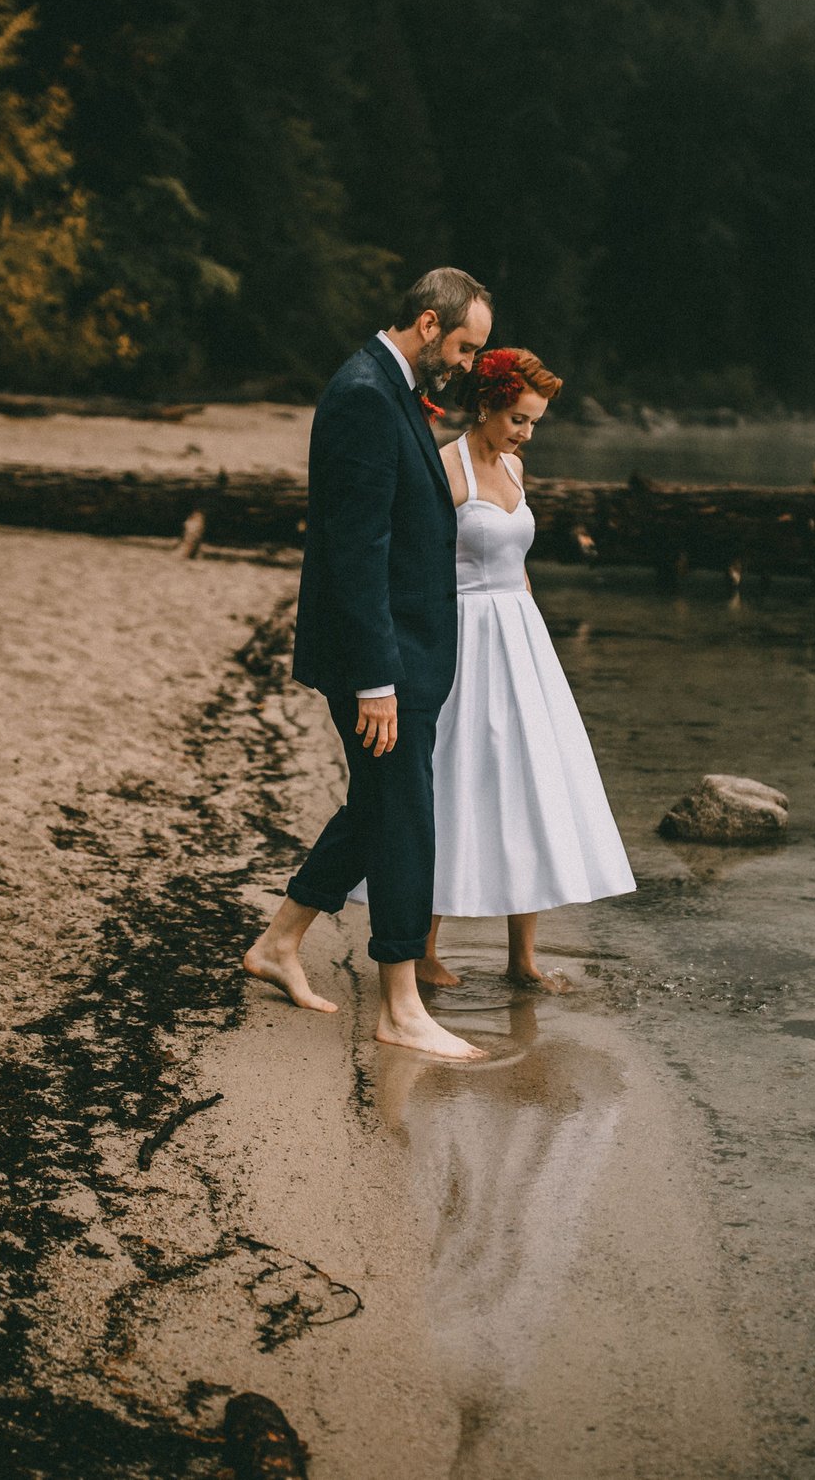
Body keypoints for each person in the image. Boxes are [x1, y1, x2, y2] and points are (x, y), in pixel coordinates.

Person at [242, 268, 493, 1059]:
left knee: (380, 806)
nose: (467, 364)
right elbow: (357, 550)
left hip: (400, 651)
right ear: (427, 324)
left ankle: (280, 942)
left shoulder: (388, 385)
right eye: (463, 346)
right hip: (382, 659)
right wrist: (376, 681)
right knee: (406, 813)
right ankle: (400, 1003)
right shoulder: (362, 393)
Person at [413, 349, 634, 992]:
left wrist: (534, 634)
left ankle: (522, 958)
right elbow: (422, 567)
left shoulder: (515, 466)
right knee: (455, 784)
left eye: (534, 421)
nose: (525, 432)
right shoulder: (445, 468)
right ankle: (425, 949)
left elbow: (519, 562)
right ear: (485, 404)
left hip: (520, 638)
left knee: (529, 782)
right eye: (518, 418)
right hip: (462, 636)